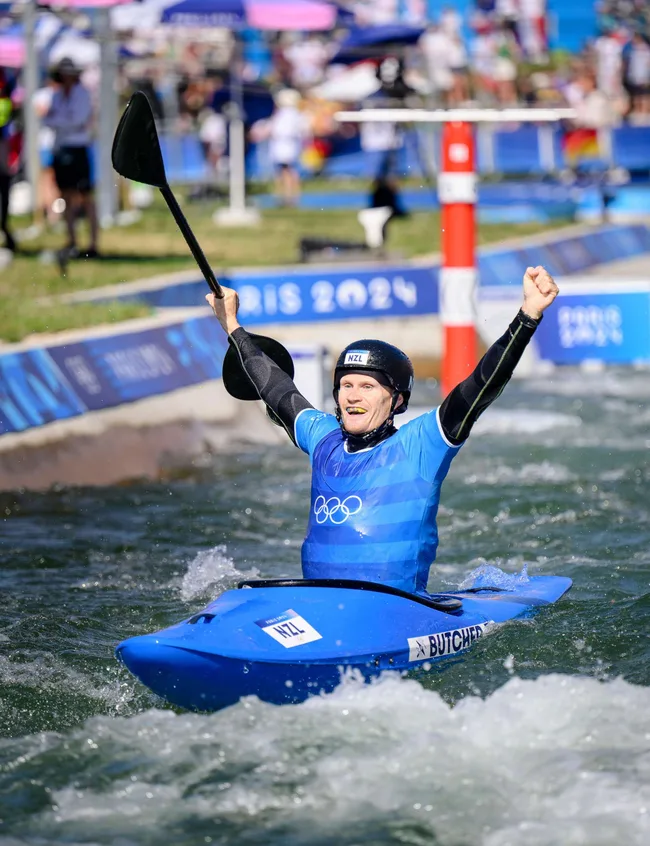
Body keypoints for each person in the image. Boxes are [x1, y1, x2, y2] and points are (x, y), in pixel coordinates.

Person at [206, 266, 559, 596]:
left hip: (396, 610)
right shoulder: (323, 439)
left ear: (397, 400)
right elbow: (278, 390)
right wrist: (233, 326)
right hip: (319, 604)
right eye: (346, 385)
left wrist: (528, 316)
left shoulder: (422, 444)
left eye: (368, 387)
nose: (353, 396)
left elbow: (482, 385)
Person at [43, 57, 99, 259]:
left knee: (85, 196)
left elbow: (77, 120)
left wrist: (60, 121)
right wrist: (61, 121)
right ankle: (72, 240)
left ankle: (93, 243)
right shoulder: (57, 95)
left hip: (77, 148)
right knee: (66, 194)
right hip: (62, 148)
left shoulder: (81, 94)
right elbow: (49, 119)